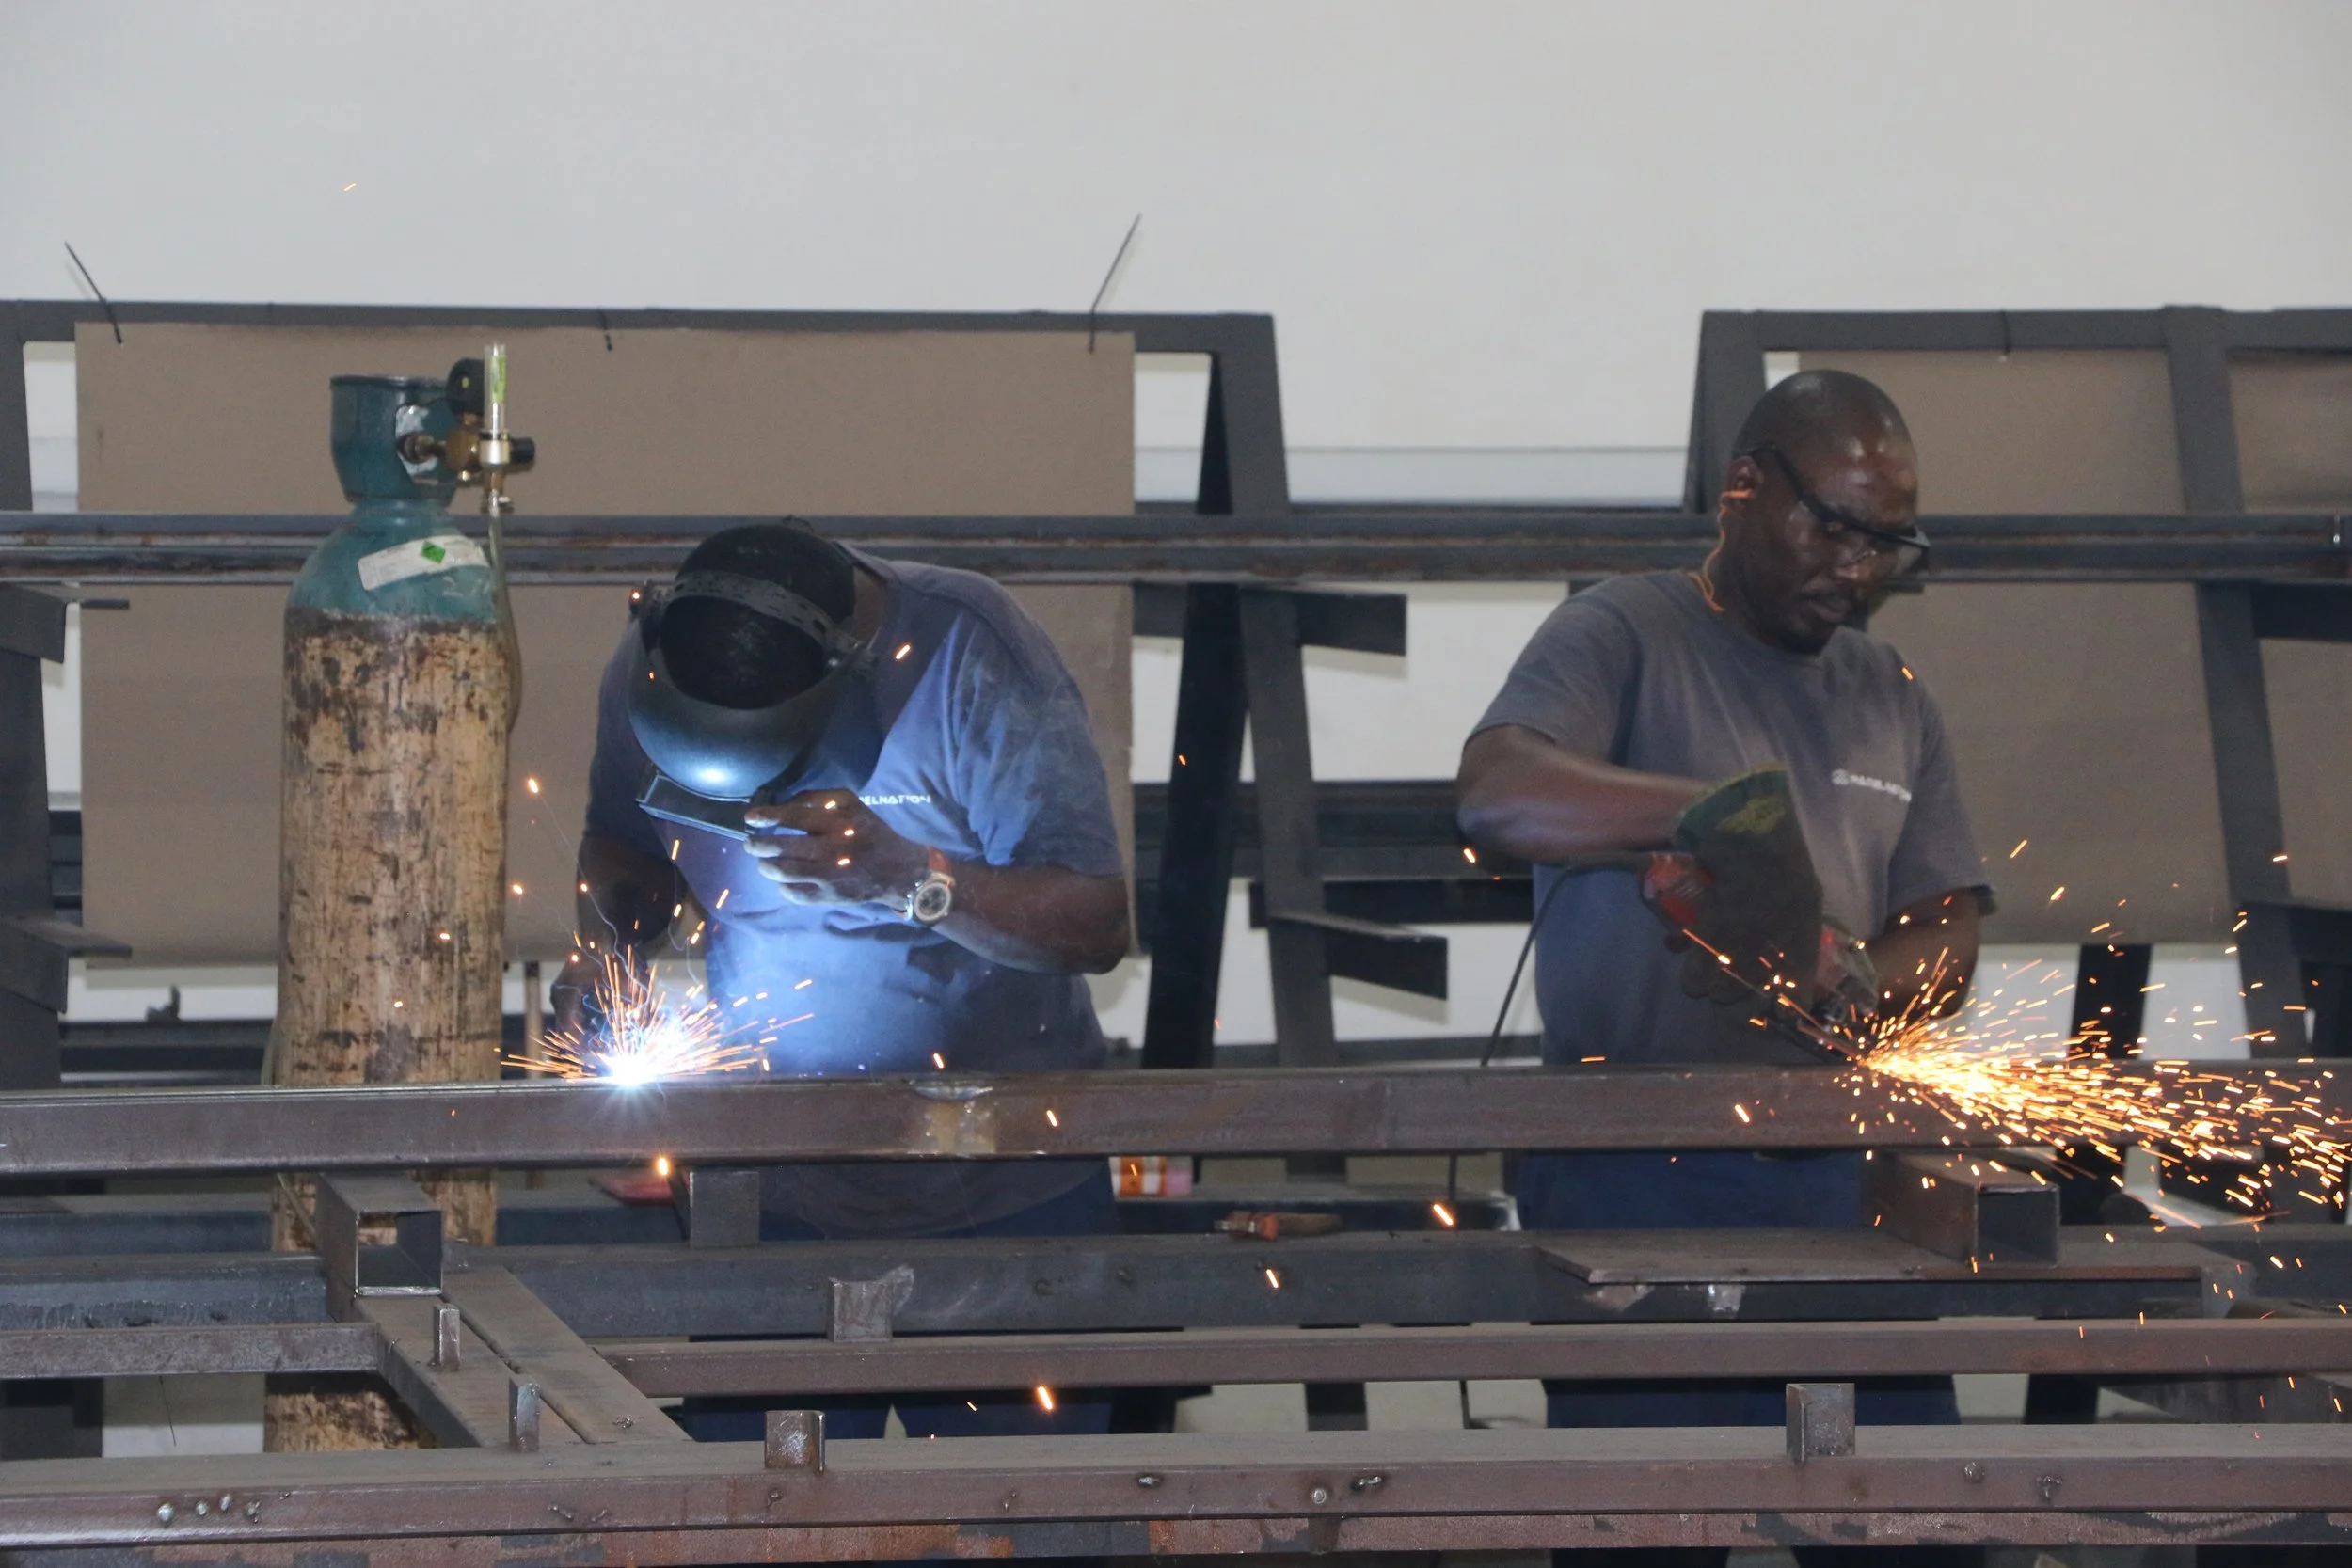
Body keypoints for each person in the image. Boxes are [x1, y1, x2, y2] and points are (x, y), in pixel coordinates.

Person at [1457, 371, 1989, 1568]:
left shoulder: (1892, 695)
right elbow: (1497, 794)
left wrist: (1851, 981)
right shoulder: (1622, 632)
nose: (1857, 568)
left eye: (1886, 542)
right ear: (1741, 487)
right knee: (1645, 1531)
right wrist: (1708, 819)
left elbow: (1947, 924)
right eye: (1832, 526)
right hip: (1634, 1180)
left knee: (1913, 1532)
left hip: (1848, 1191)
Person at [568, 518, 1130, 1443]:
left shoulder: (971, 655)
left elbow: (1096, 921)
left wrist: (916, 880)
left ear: (850, 675)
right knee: (768, 1528)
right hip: (768, 1206)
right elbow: (621, 851)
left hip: (1002, 1204)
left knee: (1023, 1523)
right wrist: (610, 954)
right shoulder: (656, 664)